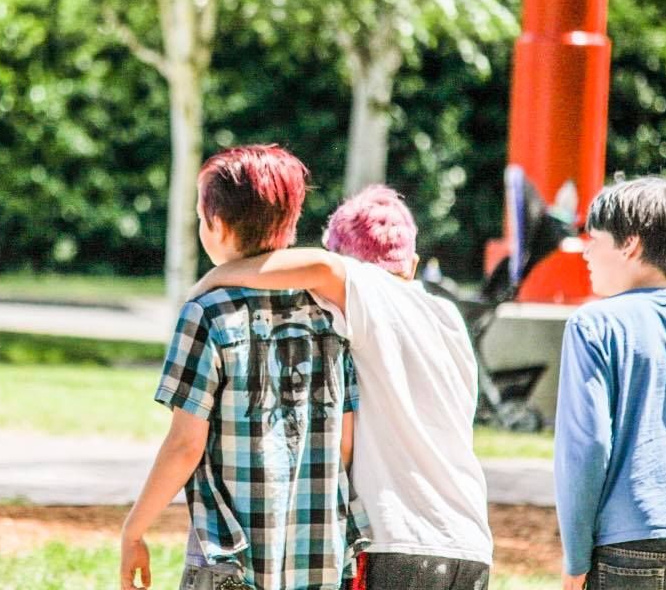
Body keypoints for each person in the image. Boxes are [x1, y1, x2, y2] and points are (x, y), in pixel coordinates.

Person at [190, 184, 493, 590]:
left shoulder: (368, 291)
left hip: (394, 539)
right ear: (414, 263)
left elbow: (322, 268)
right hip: (468, 543)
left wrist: (213, 278)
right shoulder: (447, 315)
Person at [120, 144, 369, 590]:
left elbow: (184, 446)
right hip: (319, 553)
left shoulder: (207, 313)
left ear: (216, 224)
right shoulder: (329, 316)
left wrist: (134, 529)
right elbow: (346, 442)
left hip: (231, 553)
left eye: (201, 217)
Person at [554, 176, 666, 590]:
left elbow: (586, 447)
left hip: (629, 543)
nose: (586, 251)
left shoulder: (594, 324)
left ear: (630, 245)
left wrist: (575, 559)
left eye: (594, 239)